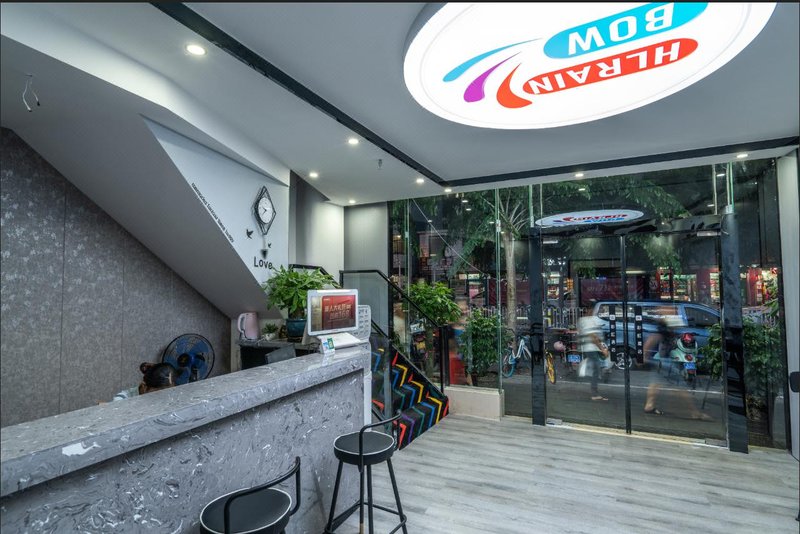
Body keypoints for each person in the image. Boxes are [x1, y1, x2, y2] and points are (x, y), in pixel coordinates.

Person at [642, 313, 712, 420]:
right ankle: (694, 412)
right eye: (674, 325)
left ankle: (649, 405)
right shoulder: (662, 333)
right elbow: (650, 342)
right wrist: (643, 356)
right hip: (665, 363)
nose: (677, 327)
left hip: (661, 360)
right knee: (680, 387)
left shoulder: (668, 333)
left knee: (655, 383)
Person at [578, 315, 610, 401]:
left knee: (596, 369)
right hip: (591, 348)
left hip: (590, 348)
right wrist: (602, 349)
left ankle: (594, 392)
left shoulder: (584, 319)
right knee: (596, 370)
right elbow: (593, 337)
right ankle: (594, 394)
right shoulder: (589, 320)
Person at [113, 362, 177, 401]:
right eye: (157, 395)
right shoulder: (121, 401)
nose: (165, 398)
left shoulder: (168, 399)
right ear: (144, 387)